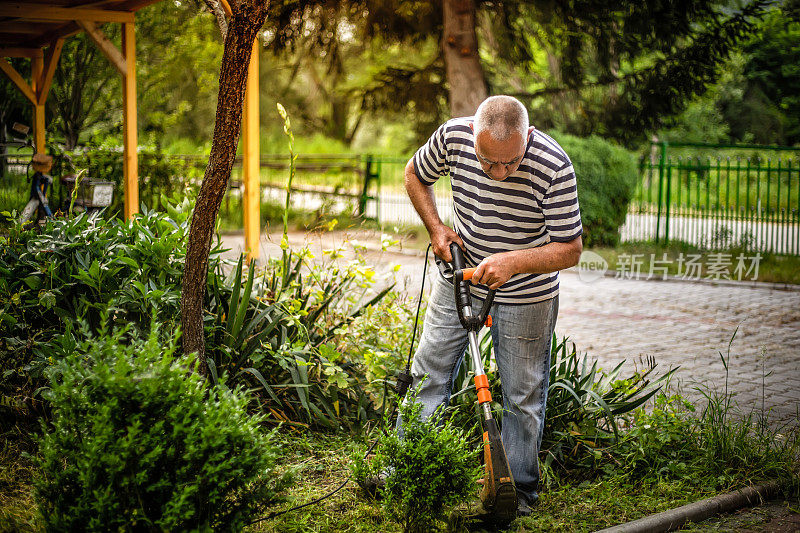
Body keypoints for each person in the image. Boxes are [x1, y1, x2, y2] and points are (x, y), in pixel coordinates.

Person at [403, 95, 582, 517]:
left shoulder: (554, 165)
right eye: (488, 162)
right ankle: (407, 469)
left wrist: (513, 263)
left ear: (528, 140)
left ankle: (515, 494)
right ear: (472, 138)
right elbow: (414, 174)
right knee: (428, 370)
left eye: (511, 163)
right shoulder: (452, 137)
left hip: (527, 293)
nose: (500, 174)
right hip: (461, 275)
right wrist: (437, 228)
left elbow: (570, 249)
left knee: (523, 395)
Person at [20, 153, 54, 224]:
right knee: (41, 203)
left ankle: (50, 219)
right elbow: (37, 187)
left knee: (43, 203)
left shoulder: (39, 176)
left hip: (38, 195)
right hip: (36, 195)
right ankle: (22, 222)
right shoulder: (37, 176)